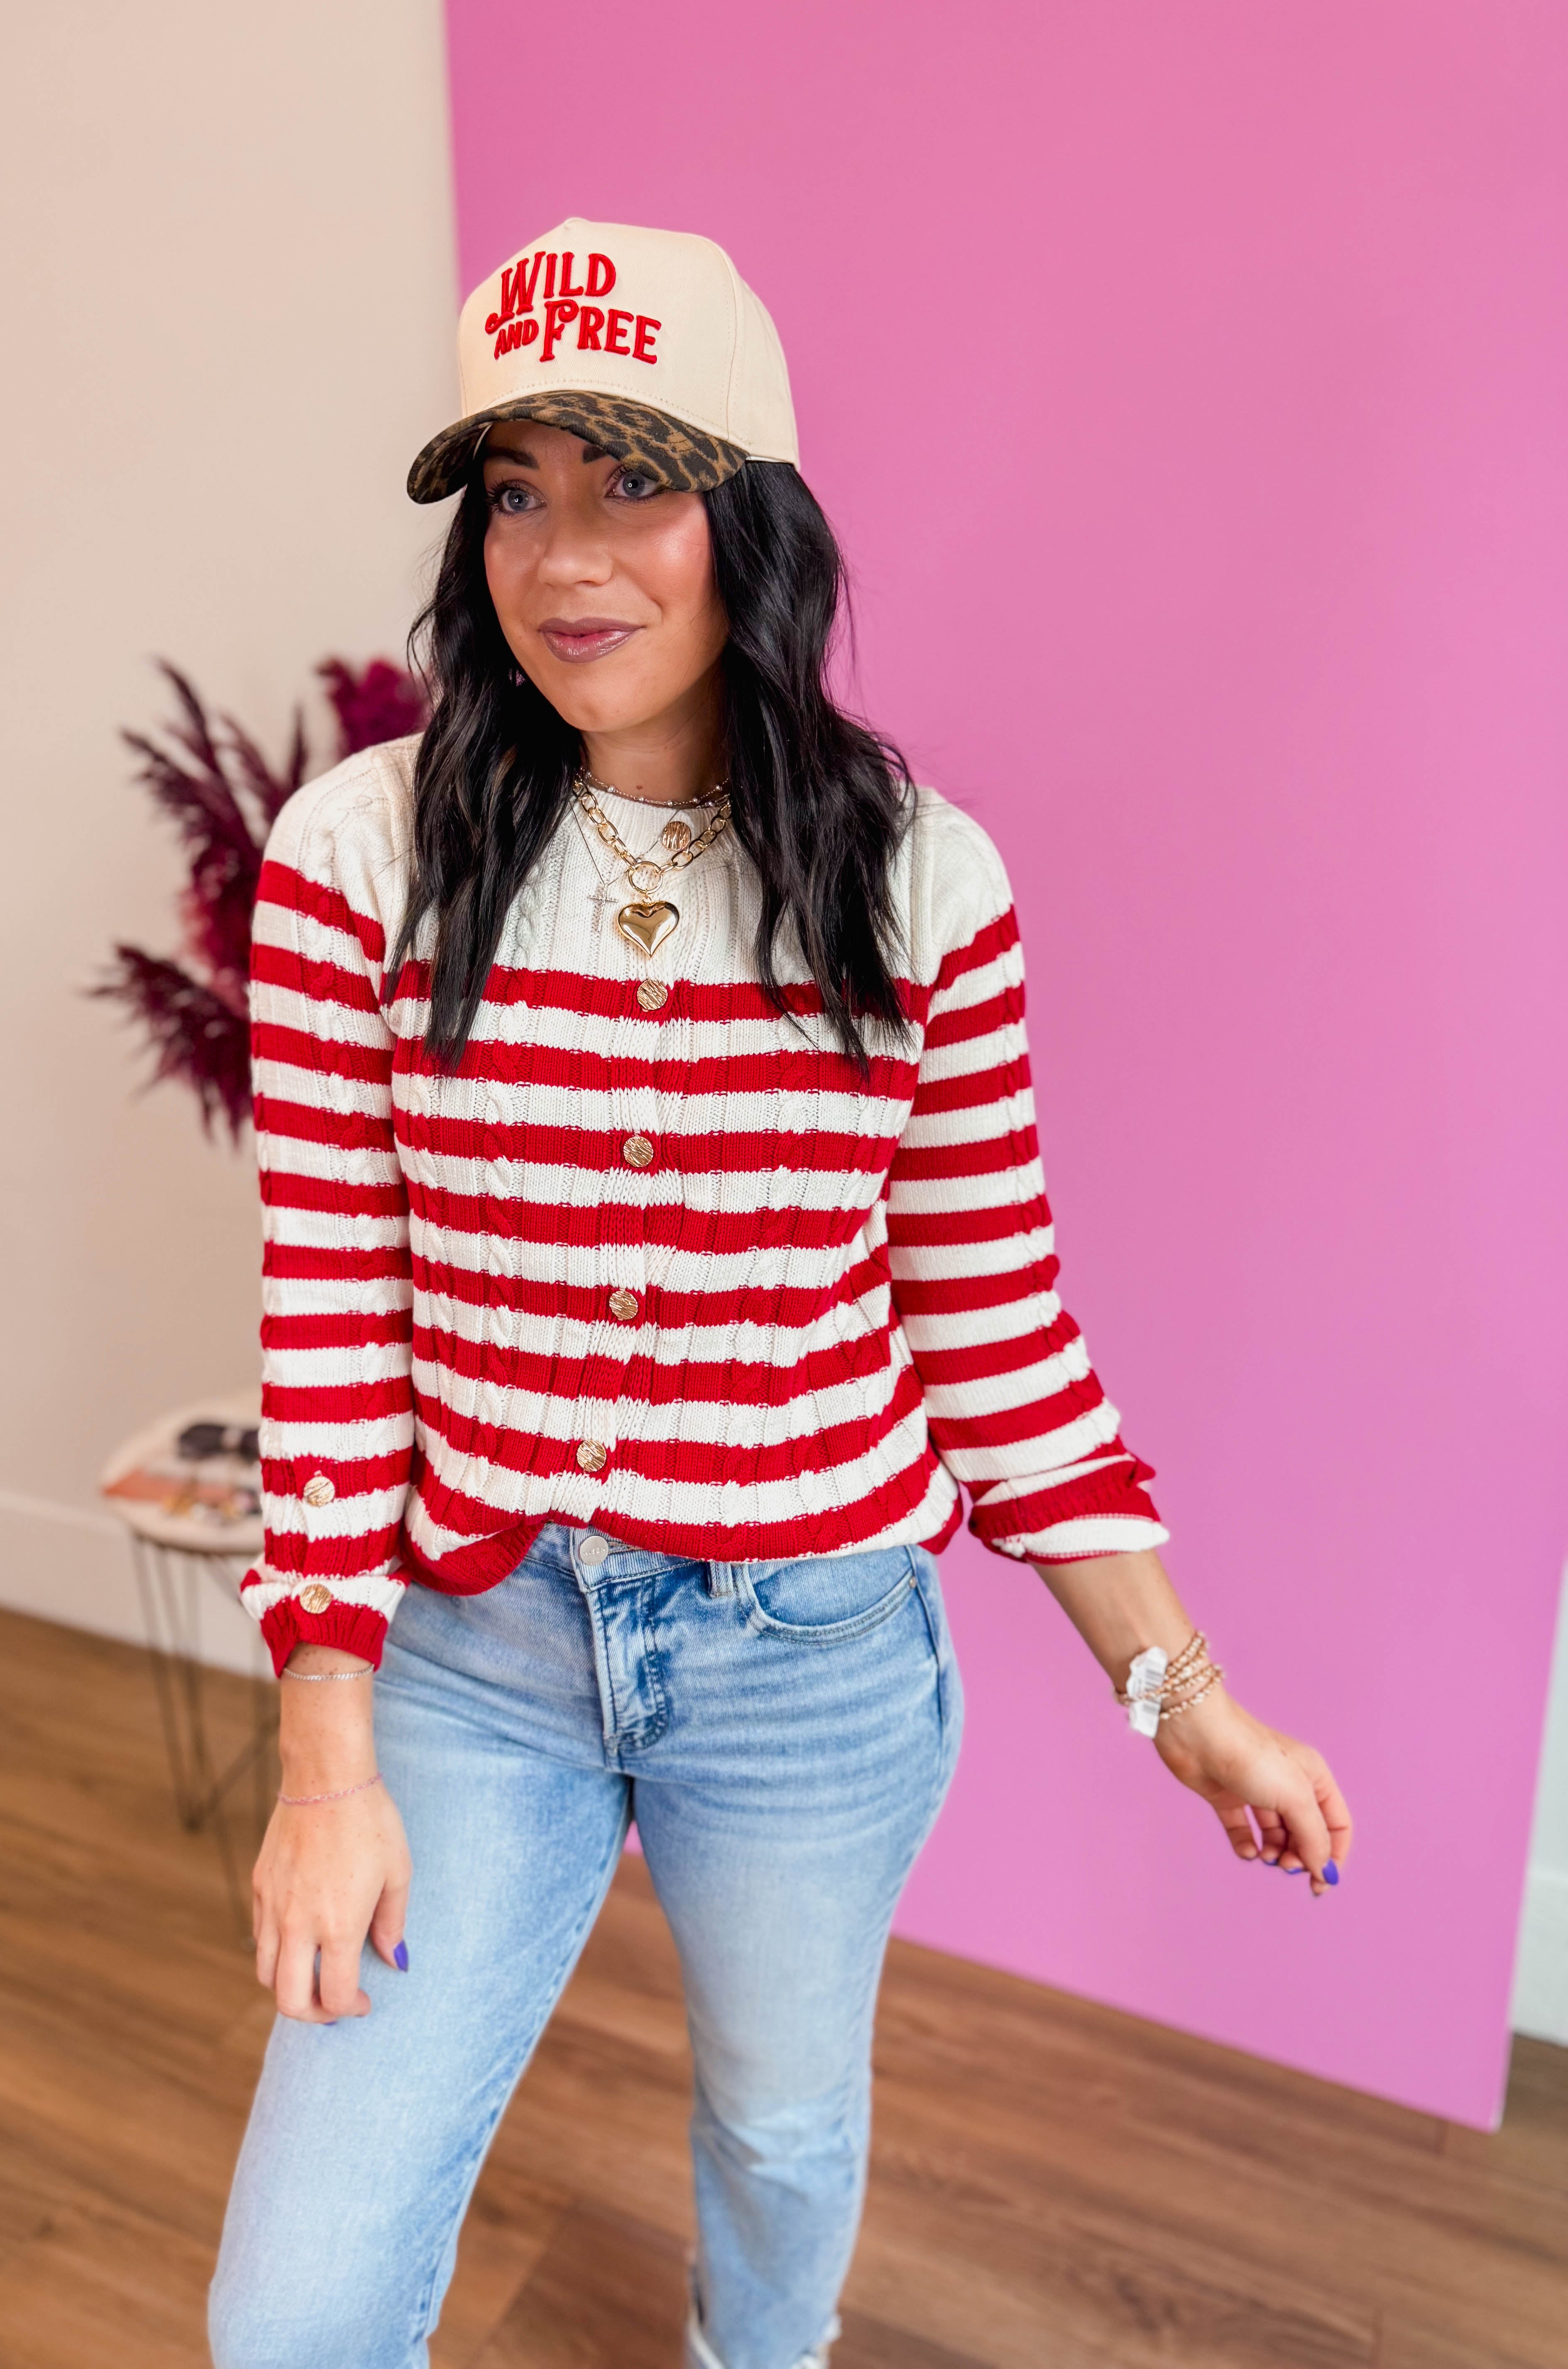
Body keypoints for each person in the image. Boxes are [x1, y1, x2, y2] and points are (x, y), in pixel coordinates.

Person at [208, 219, 1352, 2369]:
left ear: (755, 518)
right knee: (293, 2309)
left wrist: (1187, 1699)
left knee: (782, 2125)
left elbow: (995, 1334)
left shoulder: (919, 880)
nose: (567, 560)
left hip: (811, 1659)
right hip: (475, 1650)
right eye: (517, 492)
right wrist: (325, 1757)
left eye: (634, 482)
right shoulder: (358, 858)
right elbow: (337, 1326)